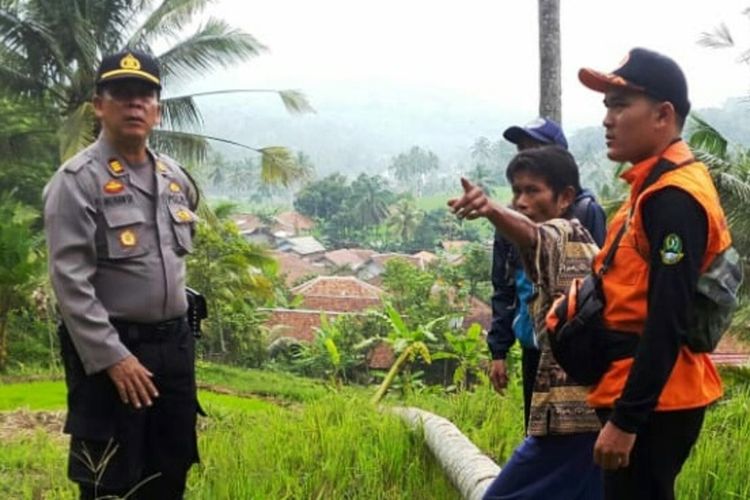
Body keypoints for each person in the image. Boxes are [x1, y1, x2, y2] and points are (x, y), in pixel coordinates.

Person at [44, 50, 201, 499]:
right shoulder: (76, 182)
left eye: (145, 95)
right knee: (109, 479)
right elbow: (70, 282)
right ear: (99, 105)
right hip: (113, 352)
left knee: (169, 469)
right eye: (121, 94)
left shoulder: (175, 179)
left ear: (158, 109)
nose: (134, 104)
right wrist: (113, 358)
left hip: (173, 347)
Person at [578, 47, 729, 499]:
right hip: (646, 390)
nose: (608, 119)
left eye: (621, 105)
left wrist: (628, 421)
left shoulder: (674, 197)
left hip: (657, 400)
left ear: (663, 115)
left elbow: (669, 316)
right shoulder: (654, 185)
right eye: (606, 106)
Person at [451, 146, 603, 499]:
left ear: (565, 197)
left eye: (532, 191)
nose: (521, 201)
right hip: (586, 416)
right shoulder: (563, 243)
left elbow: (536, 236)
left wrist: (490, 209)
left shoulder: (566, 234)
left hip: (572, 421)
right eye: (516, 191)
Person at [488, 117, 606, 431]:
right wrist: (498, 349)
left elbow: (599, 282)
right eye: (522, 150)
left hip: (572, 346)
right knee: (538, 427)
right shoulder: (509, 220)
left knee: (575, 433)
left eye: (535, 149)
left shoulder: (583, 212)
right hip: (533, 342)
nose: (526, 158)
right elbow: (504, 285)